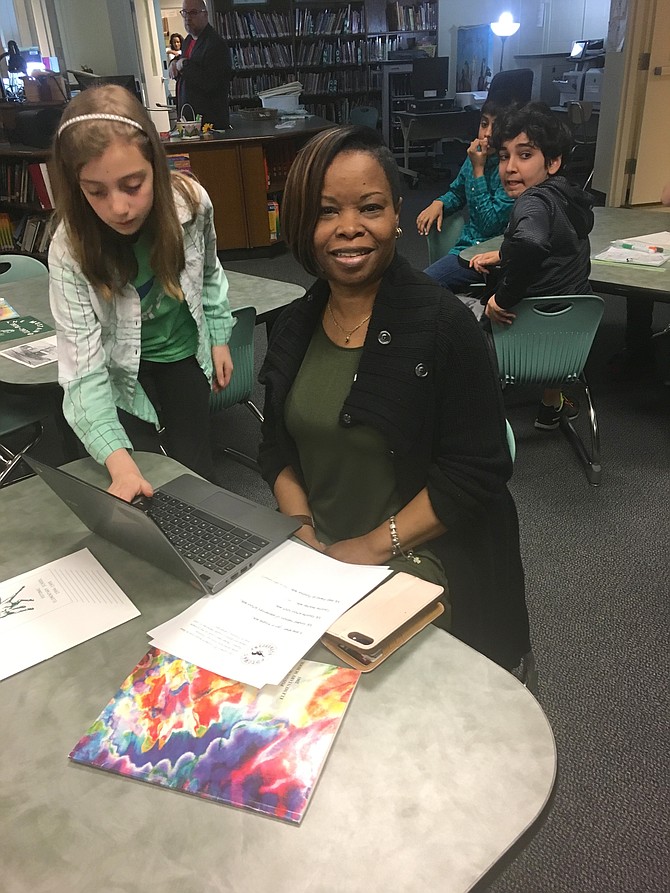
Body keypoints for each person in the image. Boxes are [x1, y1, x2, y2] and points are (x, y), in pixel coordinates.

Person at [258, 125, 532, 674]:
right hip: (326, 563)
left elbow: (476, 472)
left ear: (397, 214)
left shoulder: (445, 327)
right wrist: (305, 535)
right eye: (326, 211)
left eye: (371, 207)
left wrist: (371, 548)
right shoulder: (294, 324)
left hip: (424, 564)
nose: (350, 229)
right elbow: (276, 450)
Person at [48, 84, 235, 503]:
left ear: (155, 162)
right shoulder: (69, 247)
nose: (119, 207)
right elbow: (83, 370)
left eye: (133, 185)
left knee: (195, 470)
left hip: (182, 352)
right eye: (96, 191)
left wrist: (220, 335)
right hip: (118, 372)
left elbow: (209, 274)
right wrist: (120, 464)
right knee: (139, 475)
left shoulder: (192, 203)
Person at [469, 102, 594, 430]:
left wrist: (502, 299)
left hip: (521, 337)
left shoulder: (533, 201)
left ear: (552, 162)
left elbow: (532, 242)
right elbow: (553, 244)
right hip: (566, 344)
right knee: (558, 289)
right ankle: (551, 404)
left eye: (525, 155)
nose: (510, 167)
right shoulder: (567, 197)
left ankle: (476, 417)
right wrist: (502, 254)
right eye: (504, 156)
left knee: (460, 320)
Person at [416, 99, 514, 297]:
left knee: (425, 287)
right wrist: (440, 202)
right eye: (484, 124)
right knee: (421, 285)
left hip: (493, 255)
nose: (487, 133)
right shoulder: (474, 158)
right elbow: (458, 193)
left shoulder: (511, 170)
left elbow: (489, 225)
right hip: (467, 248)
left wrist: (479, 171)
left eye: (497, 126)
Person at [168, 2, 232, 129]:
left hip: (209, 124)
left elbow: (210, 82)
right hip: (189, 122)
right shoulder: (188, 40)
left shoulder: (215, 44)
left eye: (193, 12)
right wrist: (174, 63)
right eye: (184, 12)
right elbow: (184, 62)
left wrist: (184, 65)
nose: (187, 17)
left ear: (205, 14)